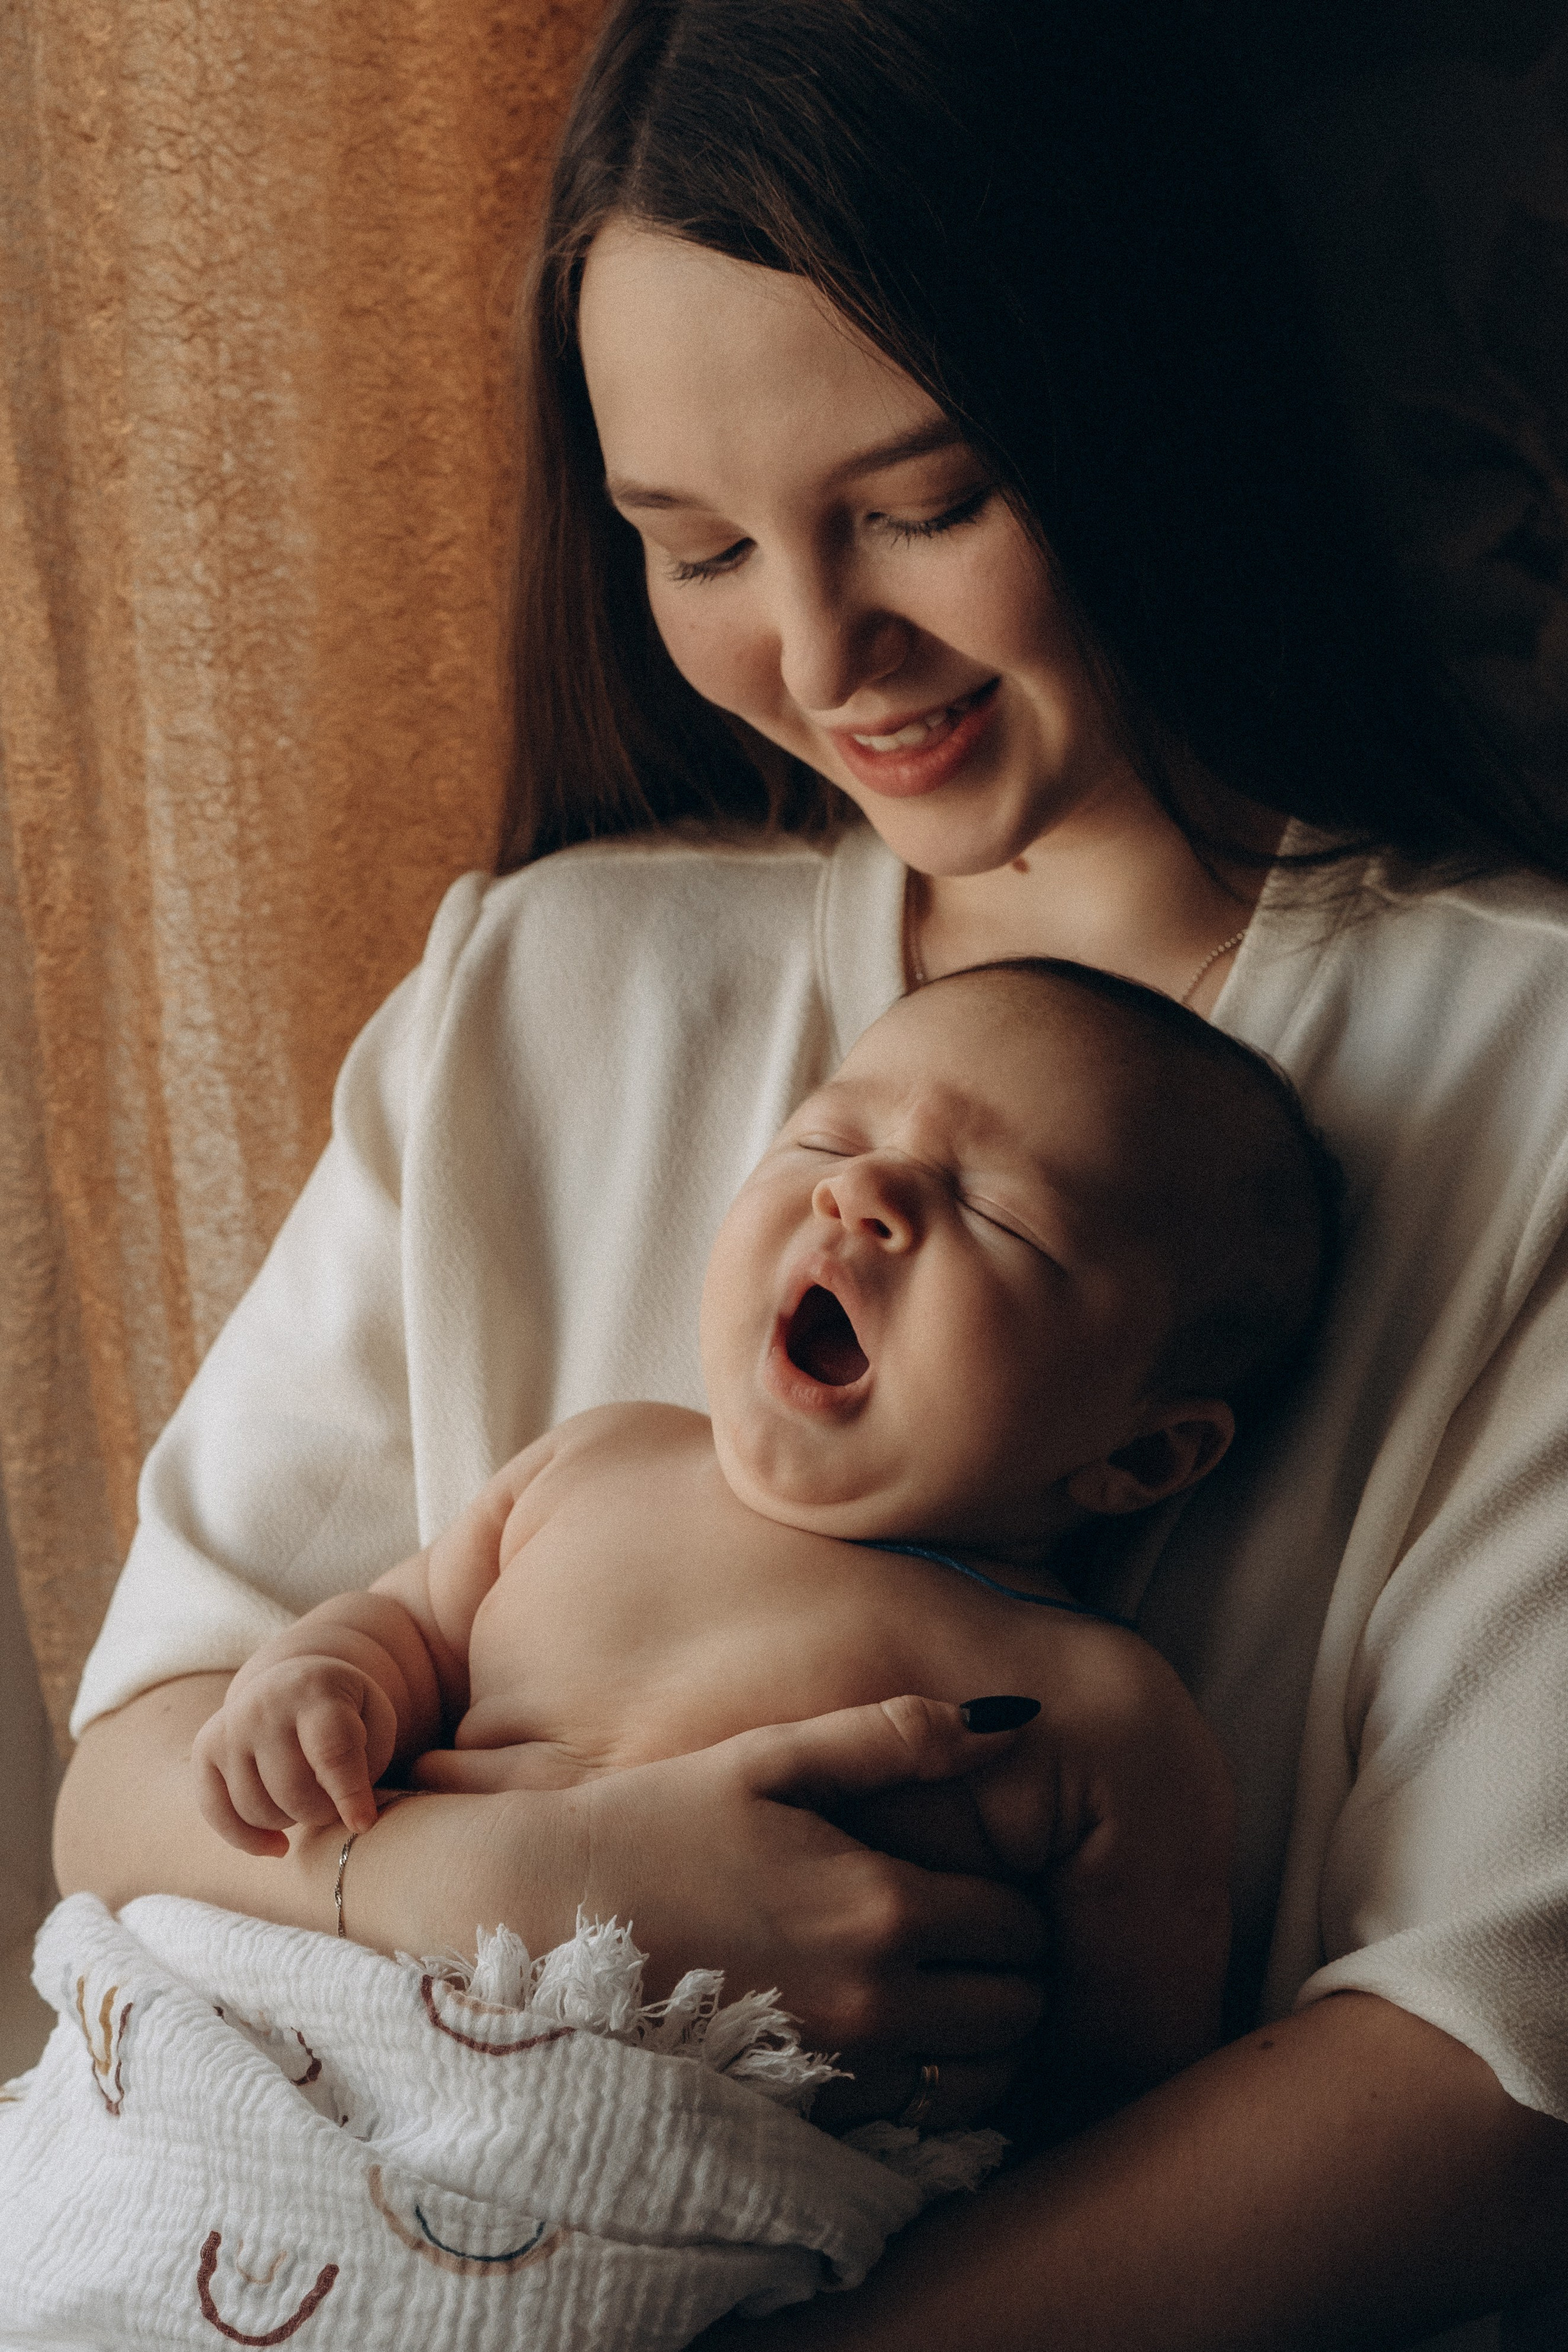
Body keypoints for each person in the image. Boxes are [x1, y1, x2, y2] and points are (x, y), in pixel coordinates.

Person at [51, 0, 1568, 2344]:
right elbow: (139, 1778)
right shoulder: (538, 989)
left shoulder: (1524, 1062)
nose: (819, 648)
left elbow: (1492, 2065)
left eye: (926, 504)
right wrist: (518, 1881)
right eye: (695, 543)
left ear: (1144, 397)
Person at [189, 960, 1336, 2125]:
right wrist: (315, 1683)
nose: (864, 1192)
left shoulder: (1097, 1711)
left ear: (1143, 1458)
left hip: (725, 2187)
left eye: (998, 1211)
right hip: (351, 2047)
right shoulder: (602, 1462)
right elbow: (410, 1628)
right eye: (829, 1140)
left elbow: (1126, 2123)